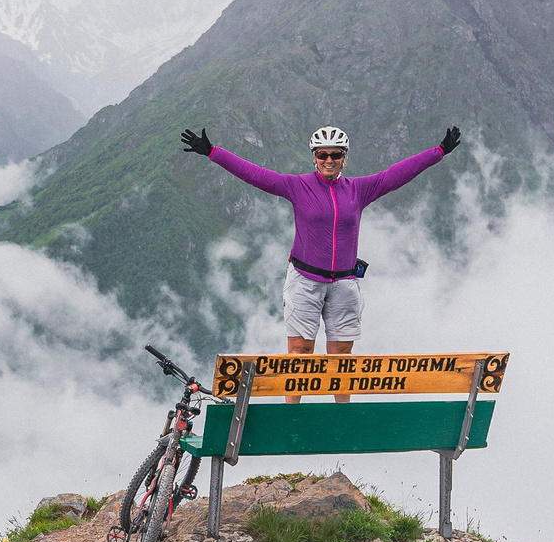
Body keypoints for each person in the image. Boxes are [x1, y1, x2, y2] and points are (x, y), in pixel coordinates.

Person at [179, 123, 463, 400]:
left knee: (341, 359)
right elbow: (255, 174)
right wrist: (213, 152)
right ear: (314, 157)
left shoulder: (359, 190)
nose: (329, 160)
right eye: (322, 154)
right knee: (299, 356)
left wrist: (438, 151)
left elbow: (397, 174)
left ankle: (341, 420)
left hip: (344, 283)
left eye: (335, 154)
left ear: (344, 158)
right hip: (304, 281)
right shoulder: (297, 186)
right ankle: (292, 420)